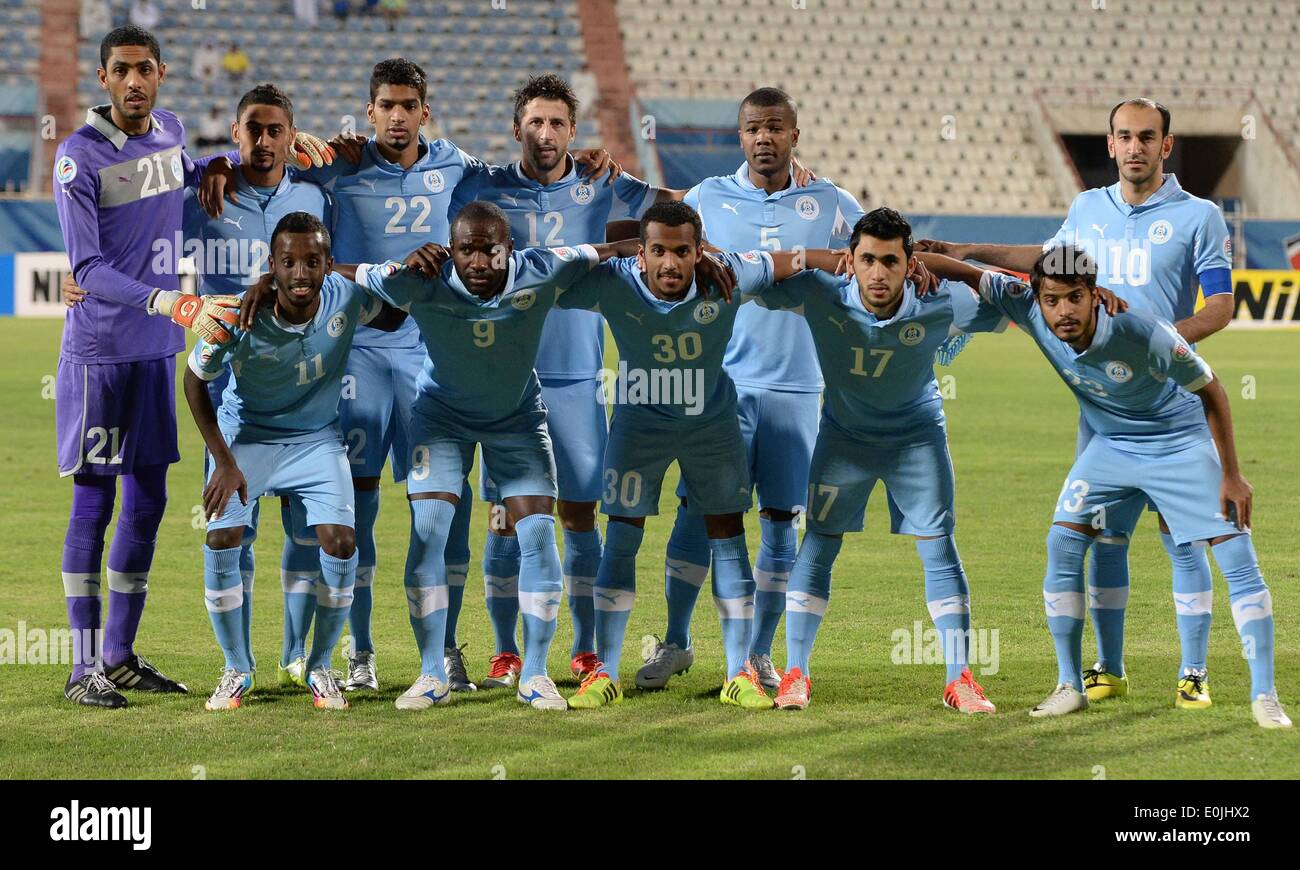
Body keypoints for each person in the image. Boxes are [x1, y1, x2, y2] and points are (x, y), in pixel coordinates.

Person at [918, 98, 1235, 709]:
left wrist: (1162, 346)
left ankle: (1193, 672)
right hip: (1101, 413)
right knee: (1102, 536)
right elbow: (1044, 263)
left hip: (1169, 403)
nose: (1136, 146)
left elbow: (1219, 308)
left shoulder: (1201, 217)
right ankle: (1106, 669)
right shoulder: (1088, 207)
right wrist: (969, 250)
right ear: (1110, 145)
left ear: (1166, 146)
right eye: (1124, 137)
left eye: (1148, 137)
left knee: (1182, 539)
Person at [930, 245, 1289, 730]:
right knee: (1062, 541)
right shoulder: (1028, 304)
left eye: (1074, 298)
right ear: (1038, 297)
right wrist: (908, 255)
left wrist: (1231, 474)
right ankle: (1068, 685)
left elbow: (1212, 389)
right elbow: (967, 274)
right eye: (1053, 299)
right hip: (1113, 445)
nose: (1063, 311)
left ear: (1095, 295)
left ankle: (1265, 695)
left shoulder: (1143, 332)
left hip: (1178, 442)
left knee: (1235, 556)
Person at [52, 25, 240, 708]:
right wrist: (172, 301)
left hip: (158, 352)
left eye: (145, 70)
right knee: (94, 501)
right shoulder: (78, 157)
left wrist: (222, 161)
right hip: (102, 354)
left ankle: (120, 656)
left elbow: (187, 171)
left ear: (161, 74)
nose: (135, 81)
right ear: (102, 79)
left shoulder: (172, 132)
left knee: (152, 499)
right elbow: (88, 269)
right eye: (121, 70)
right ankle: (81, 668)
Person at [184, 211, 405, 711]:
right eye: (288, 263)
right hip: (248, 438)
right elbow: (194, 380)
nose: (300, 274)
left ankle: (321, 666)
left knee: (342, 542)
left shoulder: (344, 297)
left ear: (328, 265)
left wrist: (344, 272)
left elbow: (396, 315)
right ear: (272, 266)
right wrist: (223, 461)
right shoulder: (240, 314)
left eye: (312, 262)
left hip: (316, 440)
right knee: (222, 536)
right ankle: (236, 669)